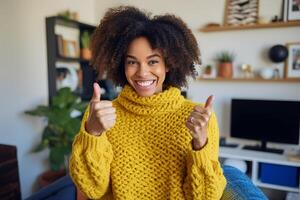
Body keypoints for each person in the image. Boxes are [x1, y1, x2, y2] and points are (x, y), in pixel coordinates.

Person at [69, 6, 226, 199]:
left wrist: (200, 143)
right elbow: (92, 188)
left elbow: (205, 197)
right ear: (121, 64)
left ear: (168, 64)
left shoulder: (200, 119)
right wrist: (92, 133)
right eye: (132, 62)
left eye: (152, 62)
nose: (142, 72)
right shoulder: (100, 115)